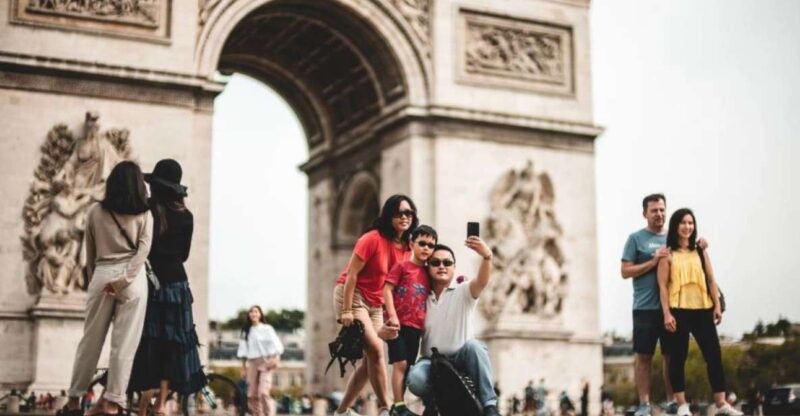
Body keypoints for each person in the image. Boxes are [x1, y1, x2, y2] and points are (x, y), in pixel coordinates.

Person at [59, 161, 153, 416]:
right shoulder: (145, 213)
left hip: (102, 275)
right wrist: (124, 279)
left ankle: (74, 401)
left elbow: (89, 253)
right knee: (124, 346)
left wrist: (97, 281)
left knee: (90, 343)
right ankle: (113, 403)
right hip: (133, 281)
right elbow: (143, 251)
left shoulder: (94, 212)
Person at [128, 159, 207, 415]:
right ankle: (162, 404)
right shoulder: (187, 216)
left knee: (148, 340)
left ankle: (144, 399)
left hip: (151, 282)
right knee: (172, 344)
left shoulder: (147, 210)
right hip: (177, 284)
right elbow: (184, 255)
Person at [333, 195, 418, 416]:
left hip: (376, 304)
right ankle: (387, 407)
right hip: (353, 296)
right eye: (398, 213)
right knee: (378, 350)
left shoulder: (408, 248)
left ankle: (341, 412)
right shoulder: (371, 239)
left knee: (369, 360)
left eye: (408, 213)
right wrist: (347, 311)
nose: (404, 217)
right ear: (388, 216)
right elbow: (351, 275)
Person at [657, 208, 741, 416]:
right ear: (676, 226)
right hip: (678, 310)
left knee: (714, 355)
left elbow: (711, 280)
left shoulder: (701, 251)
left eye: (691, 223)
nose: (687, 227)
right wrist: (667, 313)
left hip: (703, 309)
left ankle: (721, 403)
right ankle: (682, 405)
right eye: (683, 223)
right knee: (678, 357)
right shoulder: (667, 254)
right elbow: (663, 287)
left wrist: (717, 305)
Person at [406, 239, 502, 416]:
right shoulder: (419, 299)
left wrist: (487, 257)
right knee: (415, 378)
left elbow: (482, 281)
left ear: (453, 268)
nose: (441, 266)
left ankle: (490, 405)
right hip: (432, 361)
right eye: (435, 263)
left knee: (474, 347)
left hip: (463, 357)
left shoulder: (463, 291)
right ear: (427, 268)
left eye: (447, 263)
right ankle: (432, 403)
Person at [621, 194, 678, 416]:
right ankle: (644, 404)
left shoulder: (674, 238)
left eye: (662, 209)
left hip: (671, 307)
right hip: (644, 308)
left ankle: (672, 400)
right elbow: (625, 271)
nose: (659, 214)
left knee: (671, 355)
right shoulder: (635, 239)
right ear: (645, 213)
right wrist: (653, 262)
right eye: (654, 210)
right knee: (643, 356)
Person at [383, 225, 438, 416]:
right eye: (422, 243)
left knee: (408, 366)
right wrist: (392, 316)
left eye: (431, 245)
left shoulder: (428, 273)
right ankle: (398, 405)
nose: (426, 248)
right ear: (411, 243)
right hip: (396, 325)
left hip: (416, 327)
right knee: (400, 364)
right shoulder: (401, 266)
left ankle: (398, 406)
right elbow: (387, 290)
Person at [237, 305, 285, 416]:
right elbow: (243, 351)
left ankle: (269, 414)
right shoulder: (246, 331)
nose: (253, 314)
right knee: (252, 394)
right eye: (251, 312)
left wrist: (276, 358)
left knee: (263, 392)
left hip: (267, 362)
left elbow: (276, 345)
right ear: (249, 315)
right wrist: (243, 368)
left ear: (260, 314)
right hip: (252, 363)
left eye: (256, 311)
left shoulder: (267, 329)